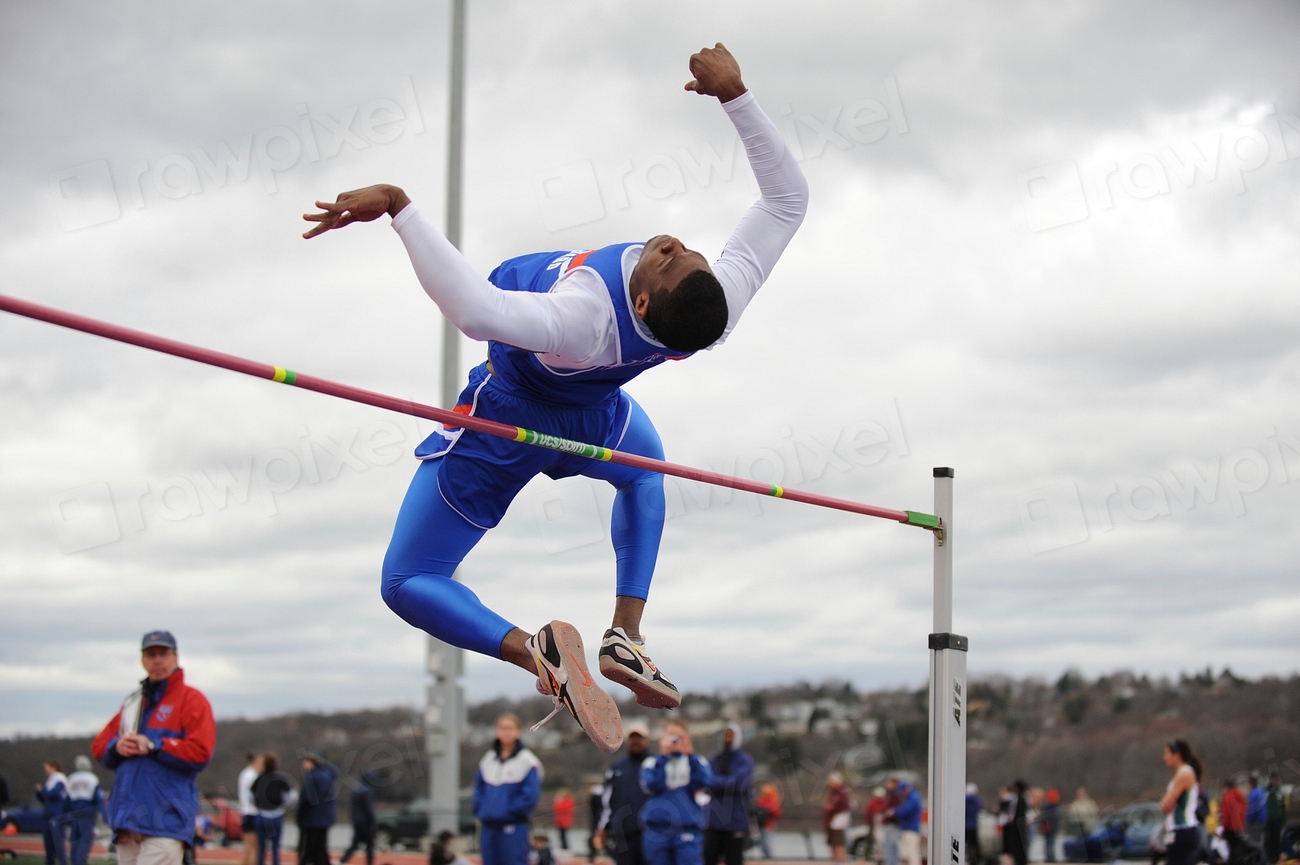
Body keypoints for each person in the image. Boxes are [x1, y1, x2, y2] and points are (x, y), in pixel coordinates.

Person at [303, 44, 808, 752]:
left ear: (639, 299)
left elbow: (476, 310)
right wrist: (737, 97)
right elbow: (788, 201)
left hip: (507, 417)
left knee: (407, 578)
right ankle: (624, 637)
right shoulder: (712, 312)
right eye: (682, 249)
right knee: (647, 470)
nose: (670, 243)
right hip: (595, 409)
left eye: (668, 260)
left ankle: (533, 648)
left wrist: (399, 205)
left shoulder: (583, 313)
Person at [91, 631, 216, 865]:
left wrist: (154, 745)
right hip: (127, 822)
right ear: (143, 660)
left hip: (165, 821)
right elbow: (98, 746)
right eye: (151, 654)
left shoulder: (192, 699)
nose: (157, 660)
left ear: (175, 658)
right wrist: (116, 747)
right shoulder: (134, 703)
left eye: (163, 654)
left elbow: (201, 752)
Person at [474, 713, 542, 865]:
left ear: (518, 731)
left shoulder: (527, 761)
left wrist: (508, 812)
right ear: (497, 731)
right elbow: (478, 790)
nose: (506, 732)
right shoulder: (488, 760)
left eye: (510, 728)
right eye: (502, 728)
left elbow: (530, 795)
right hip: (488, 826)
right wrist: (483, 809)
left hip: (513, 826)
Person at [640, 721, 711, 865]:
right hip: (657, 829)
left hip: (687, 829)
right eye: (670, 735)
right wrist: (663, 756)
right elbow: (651, 785)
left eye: (678, 736)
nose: (674, 740)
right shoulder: (651, 763)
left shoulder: (697, 762)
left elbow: (705, 782)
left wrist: (689, 754)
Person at [596, 720, 654, 865]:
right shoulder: (617, 768)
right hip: (623, 836)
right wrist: (602, 828)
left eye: (639, 737)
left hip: (651, 834)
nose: (636, 741)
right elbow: (607, 801)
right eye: (632, 738)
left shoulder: (656, 765)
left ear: (647, 740)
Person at [704, 724, 753, 865]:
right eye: (725, 735)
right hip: (713, 821)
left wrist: (718, 783)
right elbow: (707, 783)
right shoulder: (714, 760)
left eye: (731, 735)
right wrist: (729, 782)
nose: (727, 739)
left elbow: (740, 784)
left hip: (736, 820)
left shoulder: (745, 760)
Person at [1159, 740, 1204, 865]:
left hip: (1182, 831)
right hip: (1177, 831)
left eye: (1167, 753)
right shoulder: (1182, 773)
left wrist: (1164, 801)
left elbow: (1165, 806)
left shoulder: (1184, 774)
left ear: (1177, 755)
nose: (1164, 757)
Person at [252, 753, 299, 865]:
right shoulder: (280, 778)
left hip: (261, 815)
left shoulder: (259, 779)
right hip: (276, 815)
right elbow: (293, 796)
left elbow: (251, 795)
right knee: (275, 848)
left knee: (261, 848)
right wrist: (283, 805)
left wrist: (258, 804)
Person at [65, 756, 109, 865]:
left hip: (74, 815)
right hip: (87, 816)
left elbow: (66, 800)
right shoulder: (92, 778)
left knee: (74, 844)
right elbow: (99, 800)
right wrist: (107, 818)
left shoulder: (71, 778)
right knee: (84, 843)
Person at [298, 751, 338, 865]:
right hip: (325, 819)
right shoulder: (329, 776)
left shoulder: (312, 777)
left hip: (312, 819)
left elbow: (306, 799)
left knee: (308, 850)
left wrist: (301, 817)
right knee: (321, 848)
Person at [340, 770, 377, 865]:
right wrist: (373, 820)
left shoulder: (356, 789)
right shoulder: (367, 790)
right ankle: (369, 863)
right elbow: (369, 809)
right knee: (370, 845)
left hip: (357, 821)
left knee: (355, 843)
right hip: (365, 822)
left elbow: (352, 807)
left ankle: (343, 860)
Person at [35, 761, 69, 865]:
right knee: (48, 843)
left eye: (47, 767)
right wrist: (38, 792)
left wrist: (42, 791)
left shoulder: (60, 779)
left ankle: (63, 862)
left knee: (58, 843)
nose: (45, 770)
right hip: (48, 815)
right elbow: (44, 798)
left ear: (54, 767)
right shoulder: (50, 780)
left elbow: (55, 794)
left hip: (57, 815)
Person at [239, 753, 264, 865]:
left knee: (248, 847)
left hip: (246, 812)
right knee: (254, 847)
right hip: (252, 813)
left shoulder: (245, 773)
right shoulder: (251, 775)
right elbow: (253, 795)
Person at [890, 781, 922, 865]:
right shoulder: (909, 797)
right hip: (907, 827)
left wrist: (894, 812)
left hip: (911, 829)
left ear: (907, 789)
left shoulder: (913, 797)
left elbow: (906, 810)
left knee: (912, 853)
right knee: (907, 853)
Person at [822, 774, 852, 865]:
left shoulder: (843, 792)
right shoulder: (833, 792)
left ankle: (841, 862)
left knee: (839, 843)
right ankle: (835, 861)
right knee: (833, 843)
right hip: (831, 821)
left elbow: (846, 806)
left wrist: (833, 807)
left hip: (838, 822)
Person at [1001, 782, 1030, 865]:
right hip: (1014, 825)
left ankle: (1020, 860)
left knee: (1019, 845)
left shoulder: (1021, 799)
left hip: (1018, 826)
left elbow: (1019, 813)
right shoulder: (1015, 798)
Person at [1219, 779, 1247, 865]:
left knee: (1232, 850)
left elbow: (1226, 815)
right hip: (1239, 827)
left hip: (1230, 828)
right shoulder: (1240, 795)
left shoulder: (1227, 797)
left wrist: (1223, 828)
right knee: (1238, 849)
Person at [754, 783, 782, 861]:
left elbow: (777, 813)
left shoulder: (773, 800)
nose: (763, 793)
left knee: (767, 840)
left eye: (765, 792)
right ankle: (765, 855)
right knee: (762, 839)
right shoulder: (761, 799)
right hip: (761, 823)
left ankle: (769, 857)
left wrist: (766, 812)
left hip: (769, 823)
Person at [1264, 774, 1286, 865]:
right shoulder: (1266, 791)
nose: (1274, 781)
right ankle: (1268, 859)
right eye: (1273, 779)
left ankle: (1276, 859)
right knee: (1268, 840)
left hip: (1277, 819)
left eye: (1275, 780)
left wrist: (1283, 818)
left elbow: (1282, 806)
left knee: (1276, 839)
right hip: (1268, 819)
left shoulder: (1279, 792)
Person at [1040, 789, 1061, 863]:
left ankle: (1051, 857)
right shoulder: (1048, 806)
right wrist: (1047, 826)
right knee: (1049, 843)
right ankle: (1049, 858)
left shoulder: (1055, 806)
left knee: (1051, 843)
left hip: (1053, 828)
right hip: (1048, 828)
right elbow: (1046, 817)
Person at [1246, 779, 1267, 849]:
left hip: (1255, 821)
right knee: (1261, 841)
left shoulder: (1253, 793)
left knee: (1254, 843)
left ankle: (1261, 858)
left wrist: (1248, 821)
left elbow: (1252, 809)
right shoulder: (1261, 791)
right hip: (1263, 820)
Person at [965, 784, 983, 865]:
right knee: (974, 844)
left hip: (965, 825)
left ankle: (968, 858)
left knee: (967, 843)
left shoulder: (964, 800)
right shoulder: (976, 800)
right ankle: (975, 859)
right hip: (973, 825)